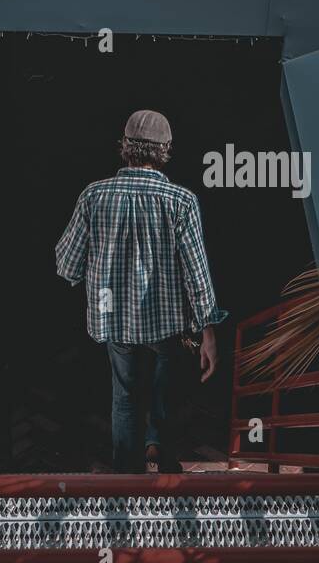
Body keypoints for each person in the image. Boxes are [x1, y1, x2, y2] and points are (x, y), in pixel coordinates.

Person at [55, 109, 224, 472]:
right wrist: (208, 330)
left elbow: (66, 264)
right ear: (164, 152)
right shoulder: (181, 201)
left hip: (115, 322)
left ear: (125, 148)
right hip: (167, 324)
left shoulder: (93, 196)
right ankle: (159, 451)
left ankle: (126, 472)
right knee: (164, 390)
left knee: (126, 397)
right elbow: (197, 272)